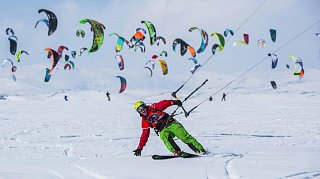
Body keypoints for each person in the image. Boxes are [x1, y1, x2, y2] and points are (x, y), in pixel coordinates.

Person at [133, 100, 206, 157]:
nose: (143, 111)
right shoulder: (145, 121)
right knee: (163, 135)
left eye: (142, 108)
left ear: (145, 106)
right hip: (164, 129)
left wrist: (173, 102)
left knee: (183, 136)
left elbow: (163, 103)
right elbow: (144, 135)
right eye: (140, 110)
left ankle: (199, 150)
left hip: (172, 124)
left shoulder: (153, 108)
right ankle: (176, 151)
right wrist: (139, 148)